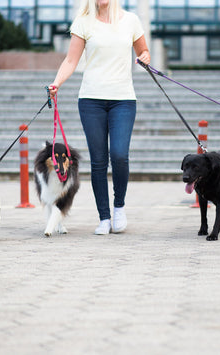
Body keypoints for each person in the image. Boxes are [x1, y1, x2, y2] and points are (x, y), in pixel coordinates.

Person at [48, 0, 150, 235]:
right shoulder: (83, 22)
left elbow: (143, 51)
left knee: (119, 155)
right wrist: (57, 83)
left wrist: (144, 57)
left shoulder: (131, 20)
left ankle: (119, 207)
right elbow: (71, 60)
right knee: (98, 161)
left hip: (123, 100)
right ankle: (104, 217)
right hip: (91, 100)